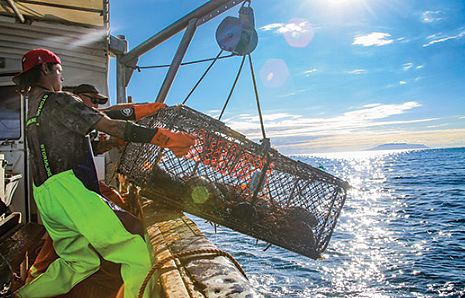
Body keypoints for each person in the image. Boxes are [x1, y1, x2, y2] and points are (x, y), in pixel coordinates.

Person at [12, 48, 196, 298]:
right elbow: (110, 124)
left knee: (78, 263)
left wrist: (126, 126)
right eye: (59, 71)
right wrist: (164, 138)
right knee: (138, 251)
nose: (61, 79)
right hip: (68, 190)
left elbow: (100, 121)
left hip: (44, 195)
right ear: (45, 69)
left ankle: (20, 296)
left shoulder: (34, 109)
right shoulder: (58, 100)